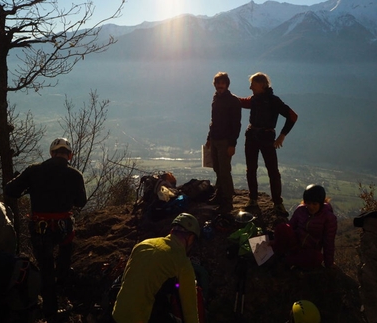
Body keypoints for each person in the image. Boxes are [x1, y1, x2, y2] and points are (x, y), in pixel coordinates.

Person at [5, 137, 87, 322]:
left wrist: (28, 188)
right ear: (70, 155)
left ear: (52, 153)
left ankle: (50, 311)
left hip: (40, 227)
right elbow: (80, 202)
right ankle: (66, 294)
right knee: (64, 261)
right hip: (64, 227)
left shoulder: (34, 170)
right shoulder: (75, 175)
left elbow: (11, 190)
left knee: (46, 268)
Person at [112, 213, 201, 323]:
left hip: (117, 314)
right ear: (190, 237)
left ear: (172, 231)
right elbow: (190, 310)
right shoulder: (182, 263)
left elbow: (126, 279)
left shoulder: (143, 244)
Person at [240, 72, 298, 216]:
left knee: (271, 170)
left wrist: (282, 136)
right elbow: (240, 102)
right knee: (254, 169)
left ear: (262, 85)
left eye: (252, 84)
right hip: (254, 136)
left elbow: (293, 116)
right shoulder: (254, 99)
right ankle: (256, 199)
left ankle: (276, 202)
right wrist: (225, 94)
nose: (250, 87)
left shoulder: (274, 101)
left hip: (263, 137)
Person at [271, 184, 337, 269]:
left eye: (314, 204)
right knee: (282, 227)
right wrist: (277, 240)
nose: (311, 207)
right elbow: (290, 226)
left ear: (321, 203)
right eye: (308, 203)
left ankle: (287, 260)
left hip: (309, 250)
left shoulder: (328, 218)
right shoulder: (301, 210)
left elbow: (329, 242)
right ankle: (280, 253)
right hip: (295, 243)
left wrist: (329, 264)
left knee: (317, 258)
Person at [205, 72, 242, 214]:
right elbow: (213, 121)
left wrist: (232, 144)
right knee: (217, 169)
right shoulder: (216, 99)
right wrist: (209, 138)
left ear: (227, 84)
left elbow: (236, 124)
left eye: (222, 83)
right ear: (215, 85)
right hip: (215, 139)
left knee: (225, 171)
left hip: (225, 141)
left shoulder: (233, 101)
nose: (220, 86)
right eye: (218, 83)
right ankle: (219, 195)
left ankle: (227, 202)